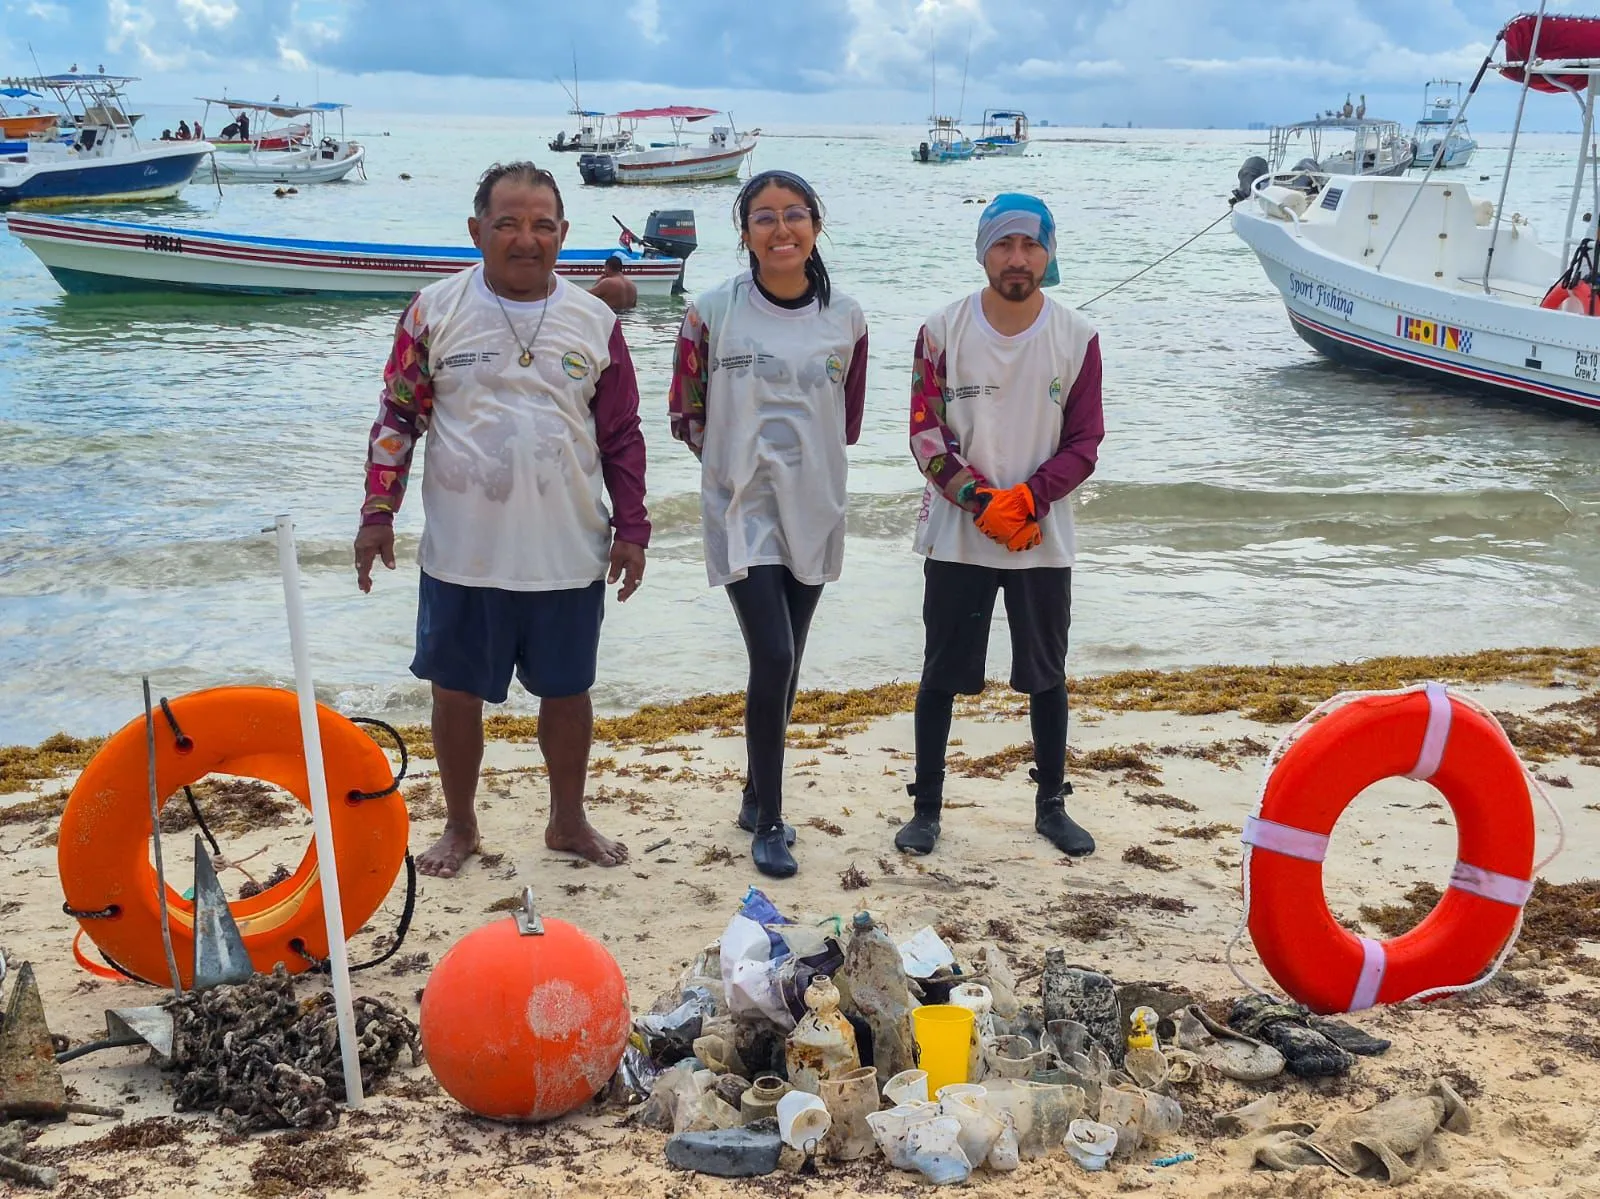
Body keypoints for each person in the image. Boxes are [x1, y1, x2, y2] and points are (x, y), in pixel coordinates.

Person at [354, 161, 649, 878]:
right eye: (508, 223)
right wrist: (377, 511)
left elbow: (622, 434)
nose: (526, 238)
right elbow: (398, 416)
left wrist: (633, 528)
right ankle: (459, 825)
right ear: (476, 230)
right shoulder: (433, 310)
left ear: (564, 234)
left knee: (569, 691)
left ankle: (567, 818)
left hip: (568, 548)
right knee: (454, 693)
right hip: (464, 553)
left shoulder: (596, 321)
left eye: (542, 224)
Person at [668, 169, 867, 878]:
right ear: (744, 231)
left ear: (815, 225)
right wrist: (735, 462)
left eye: (794, 215)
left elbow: (847, 419)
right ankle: (773, 822)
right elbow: (684, 410)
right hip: (740, 505)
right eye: (763, 217)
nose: (780, 229)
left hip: (814, 502)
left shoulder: (847, 317)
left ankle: (756, 790)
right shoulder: (712, 311)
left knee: (792, 652)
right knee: (773, 655)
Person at [897, 193, 1104, 860]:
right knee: (940, 671)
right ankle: (927, 807)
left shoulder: (1077, 337)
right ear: (983, 249)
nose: (1018, 259)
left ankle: (1051, 805)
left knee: (1047, 673)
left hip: (1041, 539)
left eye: (1031, 245)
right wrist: (982, 501)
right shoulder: (942, 330)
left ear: (1049, 252)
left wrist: (1030, 500)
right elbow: (926, 434)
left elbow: (1085, 441)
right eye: (1004, 244)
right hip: (959, 534)